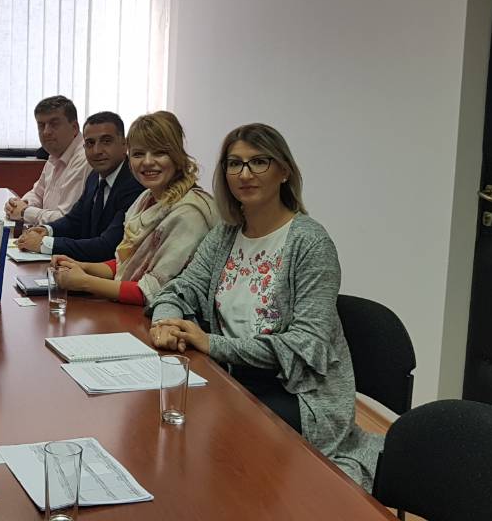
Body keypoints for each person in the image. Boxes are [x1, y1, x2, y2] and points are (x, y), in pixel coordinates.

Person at [145, 123, 383, 490]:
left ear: (283, 171)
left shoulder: (311, 243)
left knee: (210, 439)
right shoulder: (226, 234)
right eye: (234, 163)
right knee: (161, 415)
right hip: (231, 376)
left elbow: (305, 344)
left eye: (258, 162)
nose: (245, 174)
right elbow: (181, 289)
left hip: (297, 392)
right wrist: (164, 322)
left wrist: (213, 344)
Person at [50, 111, 218, 305]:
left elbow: (152, 291)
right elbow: (126, 263)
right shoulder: (146, 198)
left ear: (176, 156)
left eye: (159, 152)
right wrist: (81, 266)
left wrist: (85, 282)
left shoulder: (189, 213)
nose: (147, 162)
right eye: (138, 154)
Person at [13, 111, 144, 262]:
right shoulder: (95, 176)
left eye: (106, 141)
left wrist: (45, 244)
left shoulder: (134, 184)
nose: (97, 151)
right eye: (90, 143)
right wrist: (47, 230)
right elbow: (75, 220)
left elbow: (107, 246)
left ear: (124, 144)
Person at [5, 95, 91, 226]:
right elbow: (37, 194)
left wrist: (24, 212)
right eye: (41, 125)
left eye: (54, 124)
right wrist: (20, 204)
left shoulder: (84, 158)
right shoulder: (55, 155)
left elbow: (65, 219)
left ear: (74, 127)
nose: (46, 132)